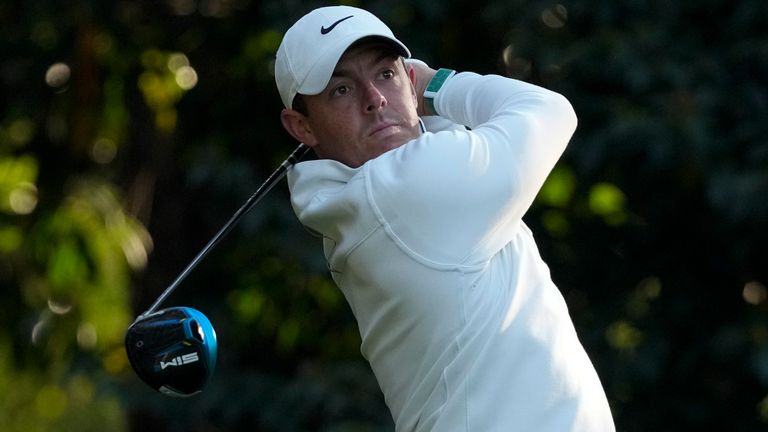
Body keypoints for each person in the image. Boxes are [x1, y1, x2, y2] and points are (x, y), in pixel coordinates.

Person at [274, 5, 615, 431]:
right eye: (341, 90)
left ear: (405, 78)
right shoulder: (405, 188)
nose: (374, 100)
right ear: (302, 127)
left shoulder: (356, 197)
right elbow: (550, 111)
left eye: (385, 74)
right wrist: (436, 84)